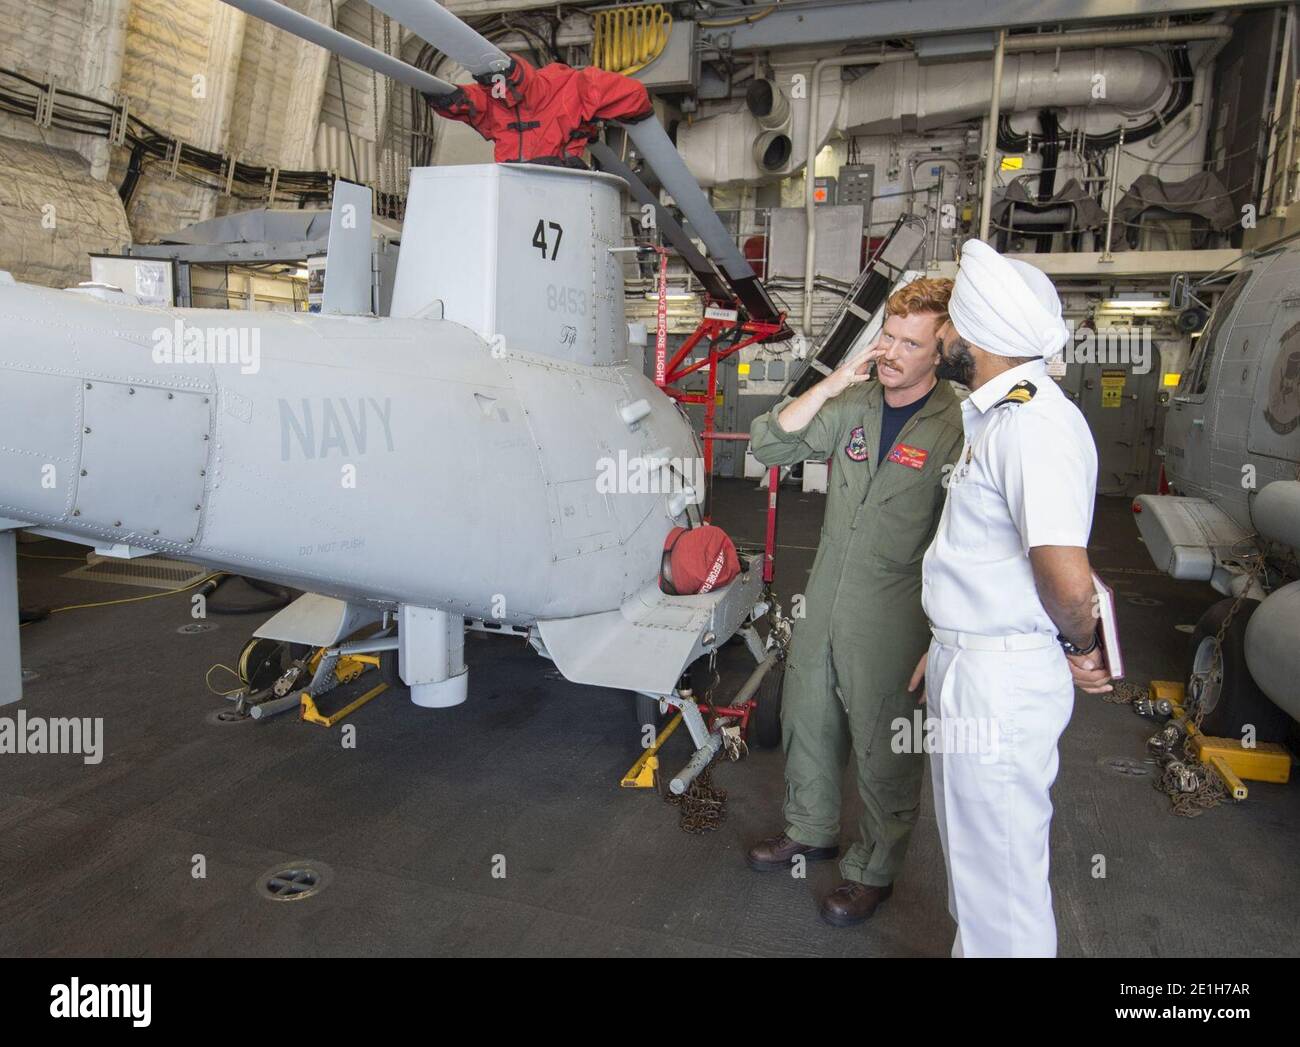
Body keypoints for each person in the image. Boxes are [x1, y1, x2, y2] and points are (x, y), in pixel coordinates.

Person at [908, 239, 1113, 958]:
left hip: (1000, 680)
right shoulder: (996, 416)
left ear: (980, 337)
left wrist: (1084, 646)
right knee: (978, 871)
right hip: (974, 663)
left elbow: (1063, 573)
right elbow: (989, 557)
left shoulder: (1032, 424)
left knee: (1002, 879)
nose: (944, 338)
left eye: (952, 326)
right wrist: (949, 643)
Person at [746, 279, 964, 927]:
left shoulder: (957, 425)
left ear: (942, 349)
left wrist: (942, 635)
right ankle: (811, 828)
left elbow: (967, 542)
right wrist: (833, 382)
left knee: (885, 744)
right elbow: (769, 443)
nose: (892, 351)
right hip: (824, 601)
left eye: (910, 341)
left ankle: (872, 869)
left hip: (897, 614)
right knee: (806, 718)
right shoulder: (857, 402)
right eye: (887, 336)